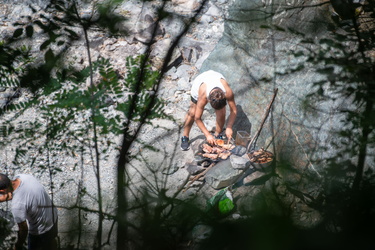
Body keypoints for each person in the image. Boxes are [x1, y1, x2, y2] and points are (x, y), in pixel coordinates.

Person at [181, 70, 237, 150]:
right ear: (209, 100)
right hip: (200, 82)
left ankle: (218, 135)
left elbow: (233, 111)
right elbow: (198, 118)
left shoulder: (227, 92)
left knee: (221, 113)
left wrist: (229, 127)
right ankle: (185, 136)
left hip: (216, 75)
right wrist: (207, 135)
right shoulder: (203, 96)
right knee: (192, 113)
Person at [0, 173, 58, 250]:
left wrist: (18, 245)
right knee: (51, 241)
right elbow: (16, 195)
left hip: (41, 231)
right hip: (53, 215)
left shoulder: (17, 206)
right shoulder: (24, 177)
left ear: (2, 190)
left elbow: (23, 229)